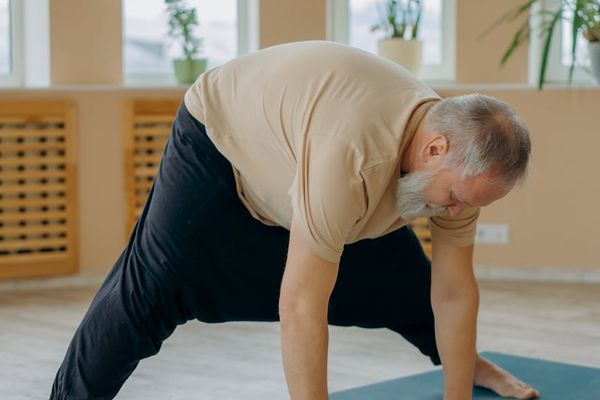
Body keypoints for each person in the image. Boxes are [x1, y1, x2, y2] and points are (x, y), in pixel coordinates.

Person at [50, 41, 538, 400]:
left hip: (317, 165)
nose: (457, 212)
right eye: (454, 197)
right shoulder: (352, 153)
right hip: (221, 148)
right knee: (150, 292)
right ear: (435, 149)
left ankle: (466, 367)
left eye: (470, 204)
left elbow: (452, 292)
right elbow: (302, 304)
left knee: (412, 288)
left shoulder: (457, 165)